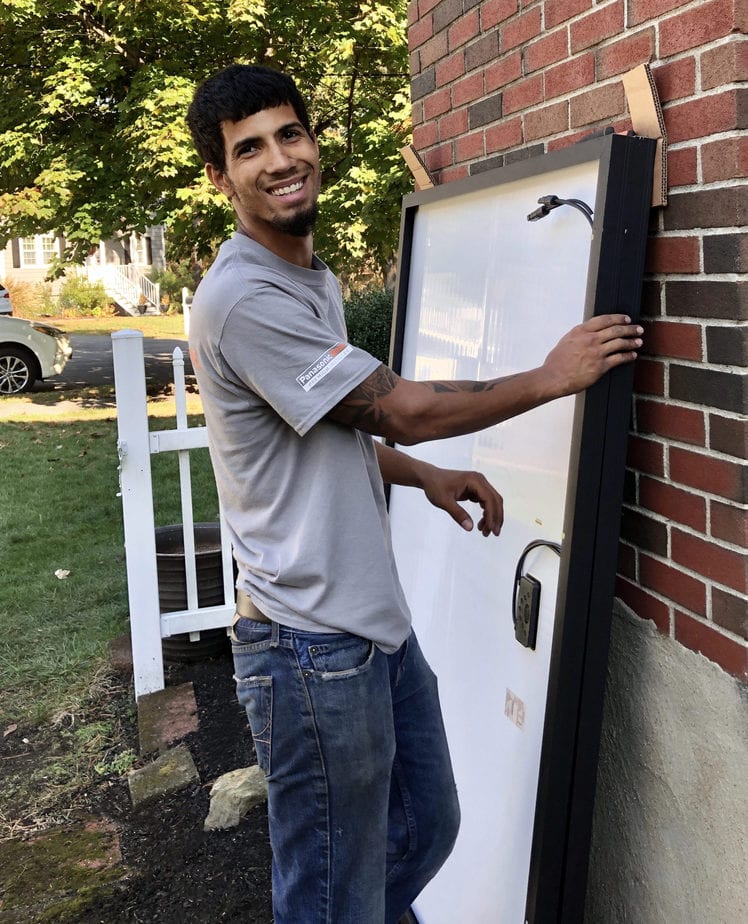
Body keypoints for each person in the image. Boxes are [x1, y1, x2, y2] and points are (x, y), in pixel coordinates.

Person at [186, 64, 643, 924]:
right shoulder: (245, 299)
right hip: (309, 648)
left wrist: (423, 478)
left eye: (291, 133)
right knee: (332, 895)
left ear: (313, 141)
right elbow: (403, 410)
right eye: (249, 149)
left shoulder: (305, 278)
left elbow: (333, 428)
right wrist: (553, 375)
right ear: (220, 177)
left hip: (368, 629)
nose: (280, 159)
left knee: (426, 828)